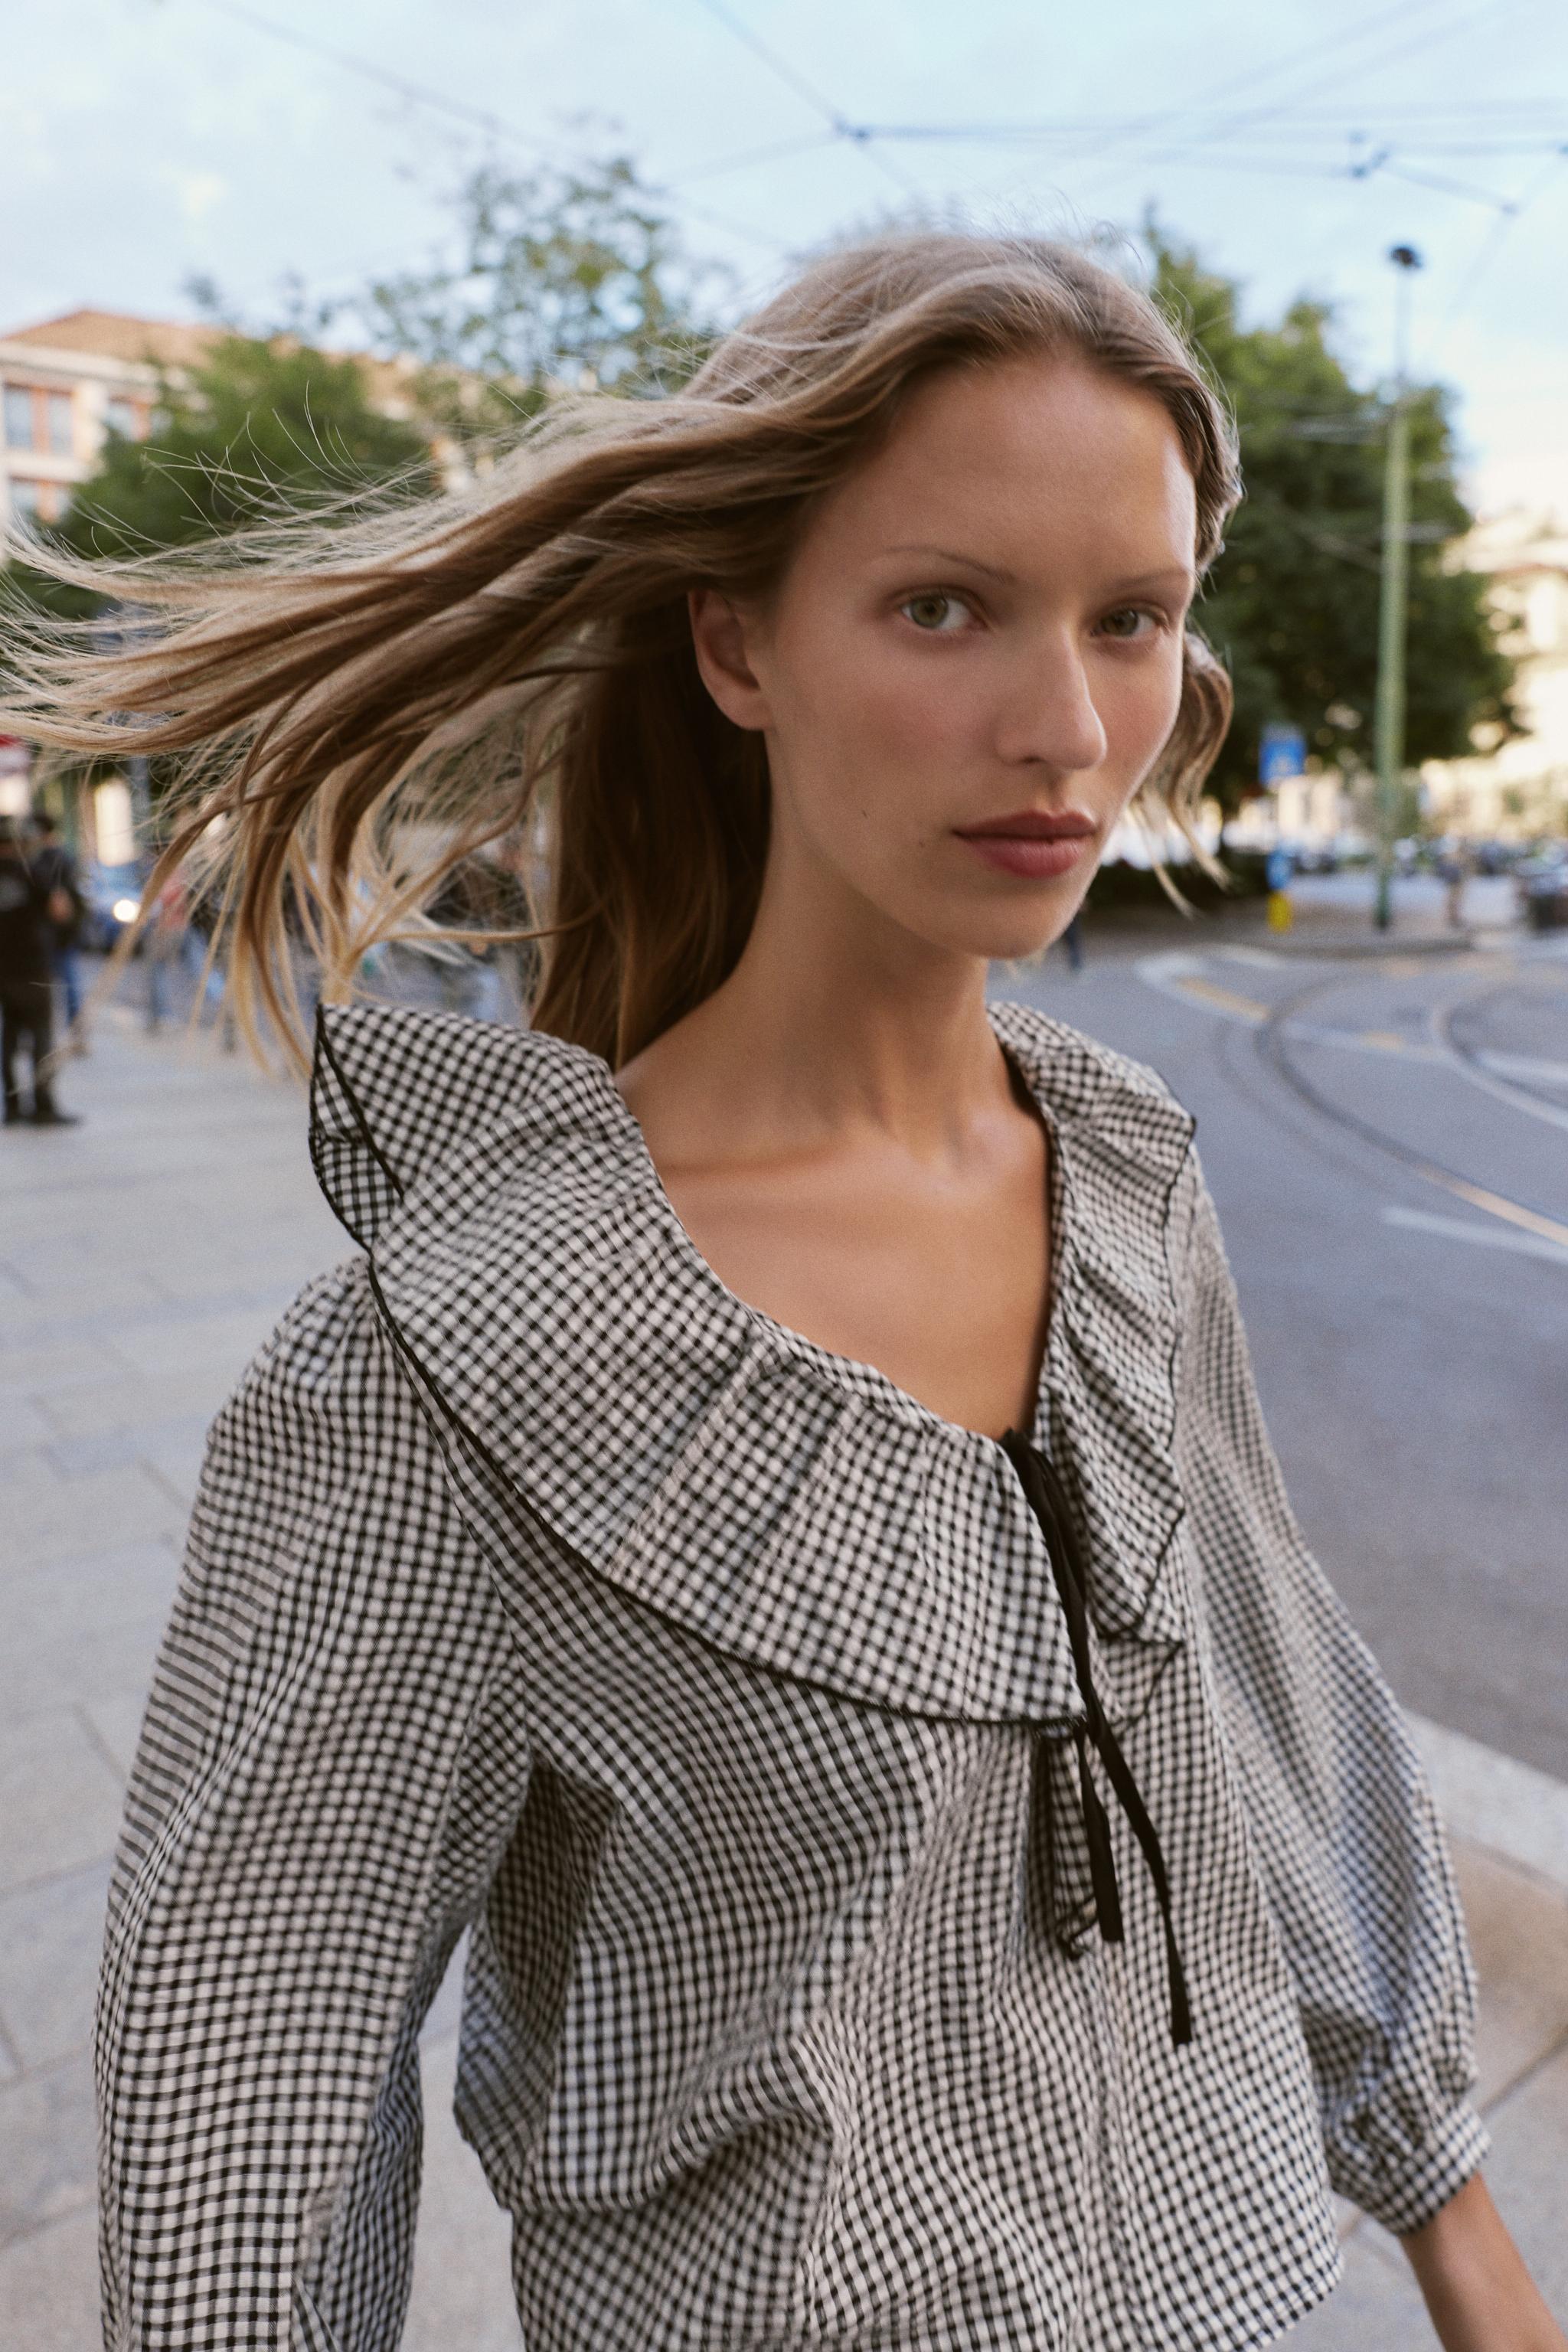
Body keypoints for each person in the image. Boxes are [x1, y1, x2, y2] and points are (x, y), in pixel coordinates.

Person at [6, 232, 1562, 2352]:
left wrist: (1451, 2211)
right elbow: (251, 2114)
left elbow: (1266, 1670)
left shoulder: (1125, 1176)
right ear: (735, 643)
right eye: (943, 607)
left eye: (1130, 617)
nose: (1065, 727)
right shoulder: (447, 1358)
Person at [0, 814, 79, 1125]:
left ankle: (12, 1106)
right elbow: (61, 910)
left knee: (8, 1038)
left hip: (3, 970)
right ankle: (43, 1105)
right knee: (41, 1037)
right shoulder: (33, 872)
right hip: (33, 966)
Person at [28, 809, 87, 1043]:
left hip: (53, 934)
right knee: (68, 983)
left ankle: (55, 1034)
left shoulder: (44, 860)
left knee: (54, 985)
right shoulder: (64, 856)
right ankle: (75, 1032)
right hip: (63, 933)